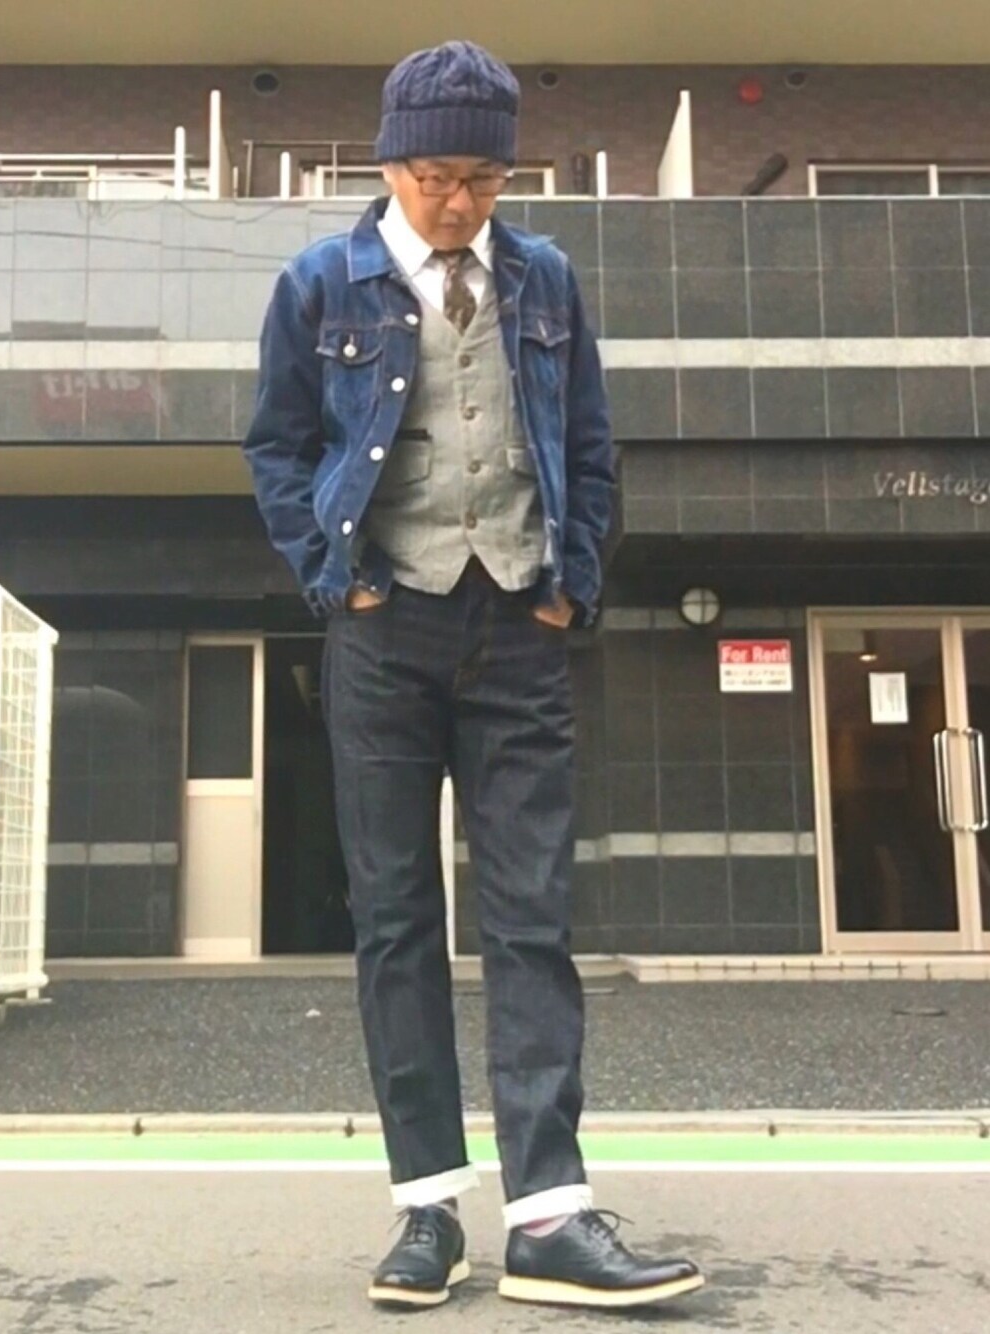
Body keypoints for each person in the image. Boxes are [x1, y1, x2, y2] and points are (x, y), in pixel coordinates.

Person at [243, 38, 704, 1312]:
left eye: (484, 179)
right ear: (389, 164)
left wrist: (571, 584)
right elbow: (277, 446)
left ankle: (548, 1213)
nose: (458, 201)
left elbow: (590, 445)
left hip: (517, 623)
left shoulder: (544, 277)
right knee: (395, 917)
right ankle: (429, 1208)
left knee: (530, 917)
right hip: (383, 626)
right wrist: (333, 577)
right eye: (436, 176)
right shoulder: (318, 284)